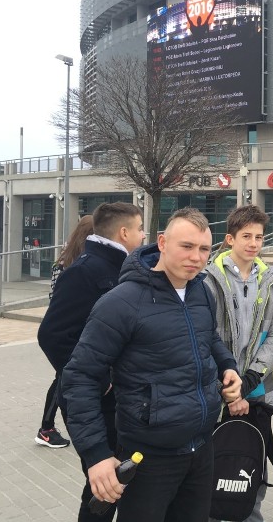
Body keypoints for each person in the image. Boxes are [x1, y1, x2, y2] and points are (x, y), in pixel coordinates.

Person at [62, 207, 243, 522]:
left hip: (201, 448)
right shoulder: (121, 302)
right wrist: (96, 455)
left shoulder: (202, 291)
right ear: (162, 243)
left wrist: (228, 366)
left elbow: (209, 338)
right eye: (186, 246)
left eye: (204, 249)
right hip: (148, 457)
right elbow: (79, 378)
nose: (196, 257)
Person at [38, 204, 144, 522]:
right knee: (106, 487)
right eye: (140, 229)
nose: (143, 236)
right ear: (124, 232)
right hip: (97, 404)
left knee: (116, 484)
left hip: (119, 402)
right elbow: (52, 336)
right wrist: (100, 381)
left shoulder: (116, 267)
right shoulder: (86, 270)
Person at [205, 204, 273, 522]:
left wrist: (251, 378)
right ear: (230, 238)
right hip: (214, 398)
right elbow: (203, 339)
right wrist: (229, 389)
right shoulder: (207, 280)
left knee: (250, 474)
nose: (253, 243)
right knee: (213, 478)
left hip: (257, 396)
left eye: (259, 236)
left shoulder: (272, 281)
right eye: (246, 236)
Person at [36, 214, 94, 451]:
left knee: (63, 378)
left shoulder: (66, 261)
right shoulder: (73, 266)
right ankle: (46, 428)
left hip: (70, 331)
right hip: (69, 334)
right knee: (63, 378)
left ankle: (49, 427)